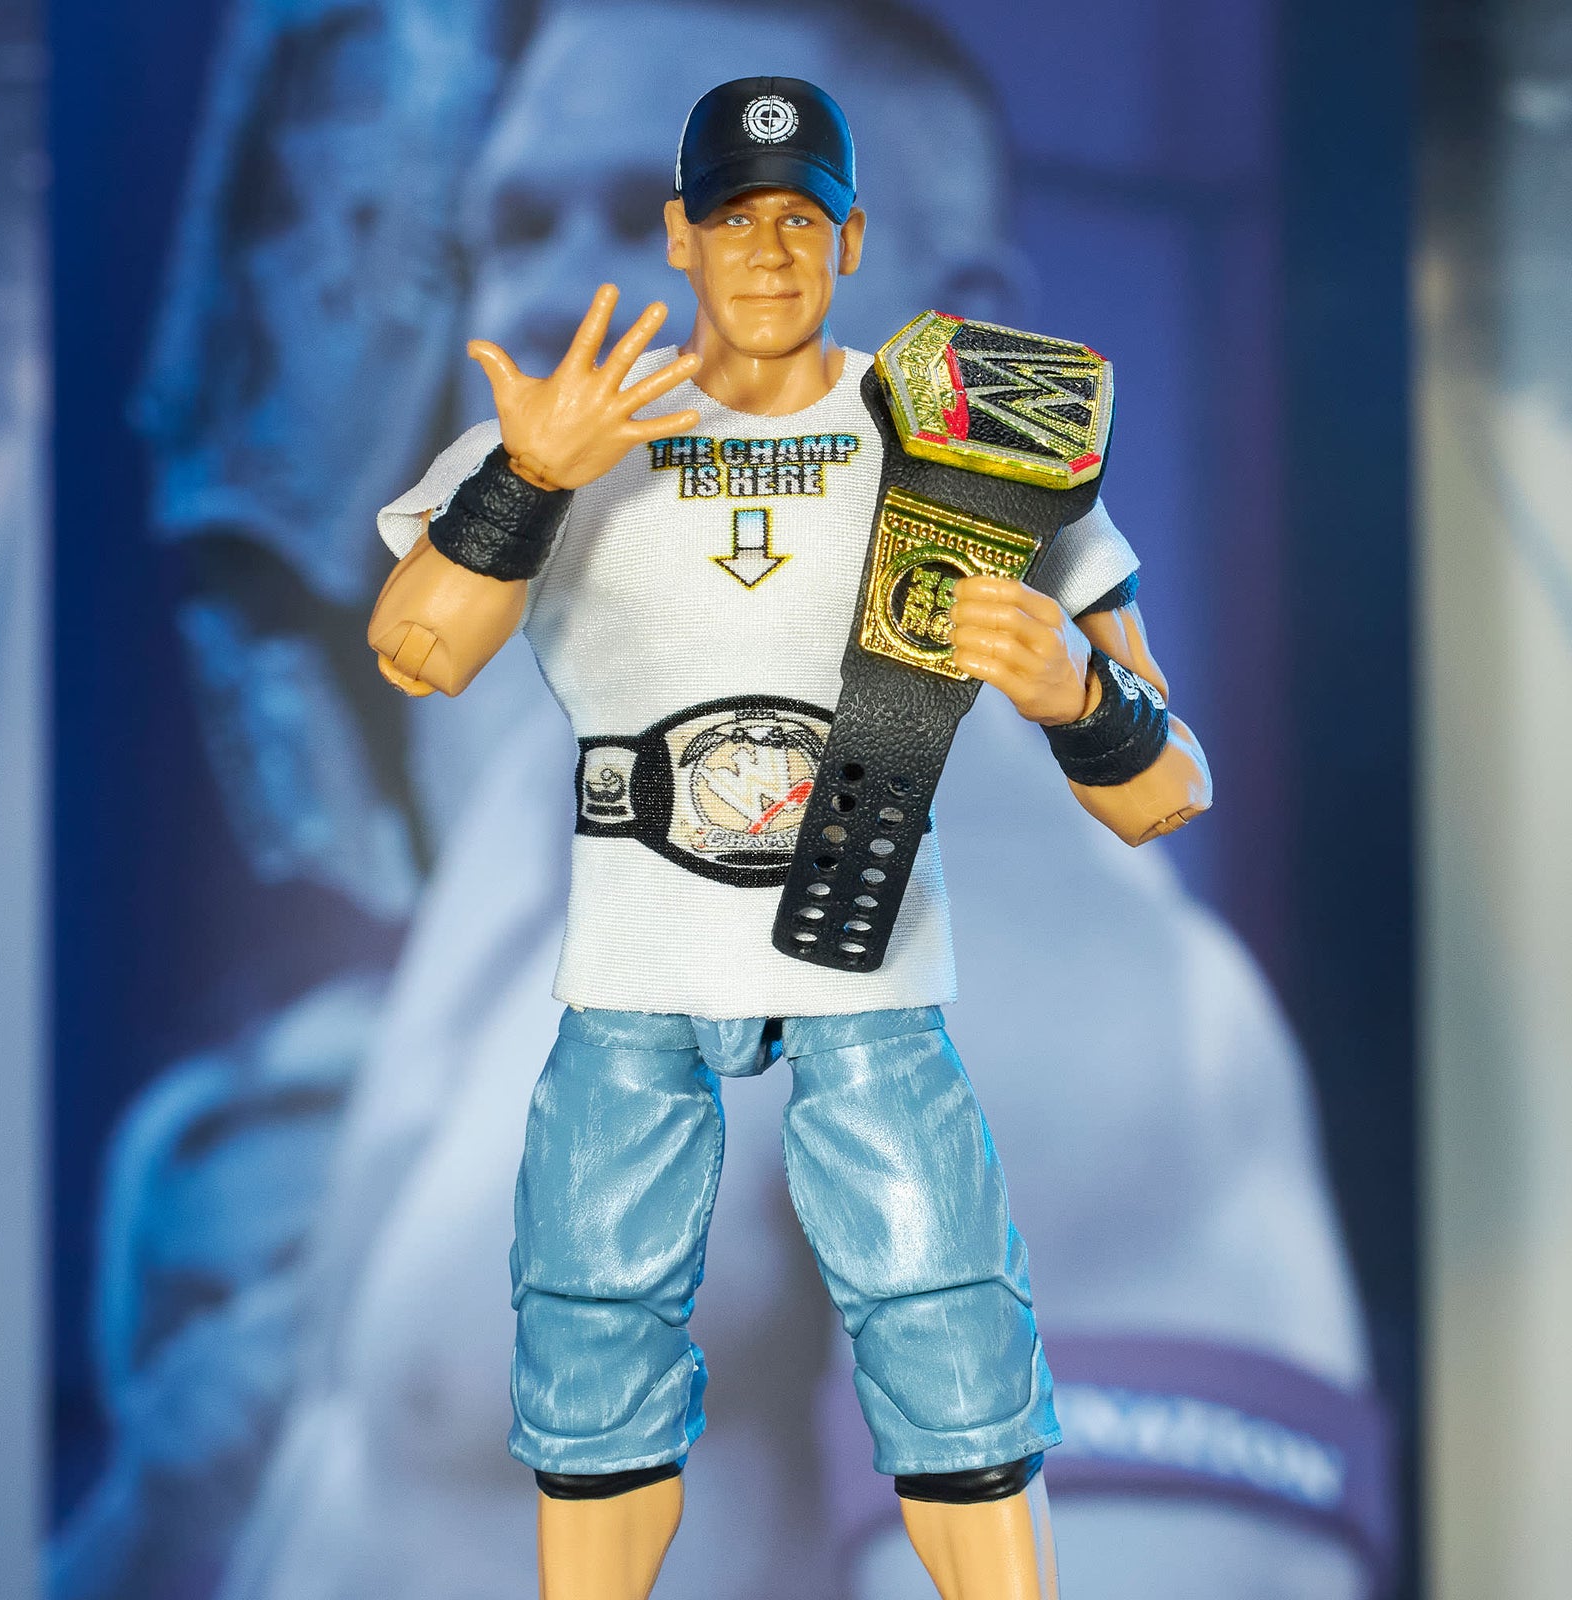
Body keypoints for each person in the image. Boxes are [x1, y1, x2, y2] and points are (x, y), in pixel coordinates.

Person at [212, 6, 1389, 1600]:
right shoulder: (540, 818)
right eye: (515, 229)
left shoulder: (1040, 955)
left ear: (952, 328)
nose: (558, 298)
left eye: (672, 223)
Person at [364, 72, 1208, 1599]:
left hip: (863, 978)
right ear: (687, 240)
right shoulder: (567, 452)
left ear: (853, 239)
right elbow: (419, 648)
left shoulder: (988, 449)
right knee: (587, 1364)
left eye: (799, 223)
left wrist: (1081, 696)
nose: (765, 253)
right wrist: (529, 481)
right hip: (630, 986)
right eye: (730, 222)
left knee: (953, 1351)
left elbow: (1164, 791)